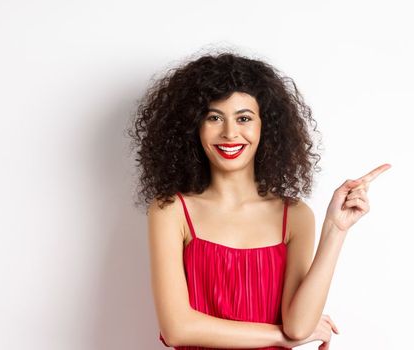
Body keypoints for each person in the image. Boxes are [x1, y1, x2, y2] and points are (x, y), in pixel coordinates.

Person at [130, 51, 389, 350]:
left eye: (244, 118)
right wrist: (279, 336)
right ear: (193, 128)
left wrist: (336, 228)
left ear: (266, 127)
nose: (230, 133)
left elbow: (299, 325)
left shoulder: (295, 215)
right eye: (214, 117)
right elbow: (177, 329)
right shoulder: (171, 211)